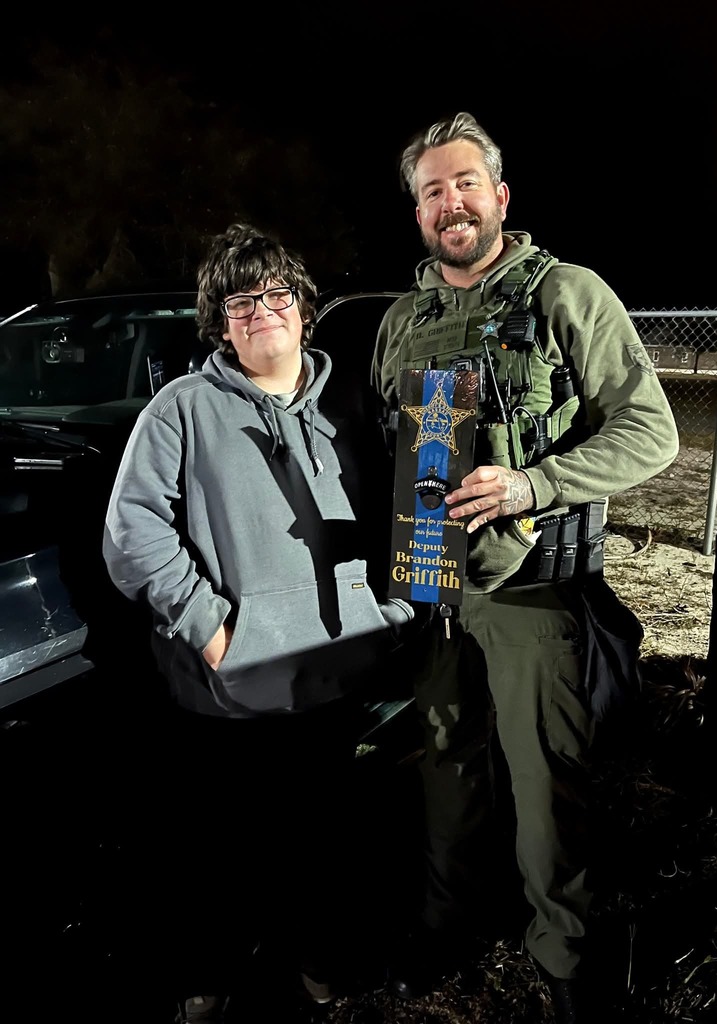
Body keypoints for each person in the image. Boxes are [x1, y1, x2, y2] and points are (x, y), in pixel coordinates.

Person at [371, 112, 680, 1022]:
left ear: (500, 196)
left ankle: (568, 957)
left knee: (548, 785)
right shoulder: (400, 321)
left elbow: (651, 431)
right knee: (444, 768)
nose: (450, 202)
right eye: (432, 190)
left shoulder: (567, 294)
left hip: (531, 587)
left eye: (465, 183)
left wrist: (535, 483)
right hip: (433, 591)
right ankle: (448, 924)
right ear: (419, 213)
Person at [103, 223, 413, 1023]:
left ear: (305, 309)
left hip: (335, 677)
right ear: (219, 321)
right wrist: (213, 630)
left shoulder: (355, 404)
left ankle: (319, 962)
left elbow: (415, 509)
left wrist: (392, 611)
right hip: (228, 688)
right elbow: (133, 532)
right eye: (241, 301)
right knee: (217, 848)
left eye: (277, 295)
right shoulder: (182, 410)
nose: (262, 311)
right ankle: (208, 972)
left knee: (324, 838)